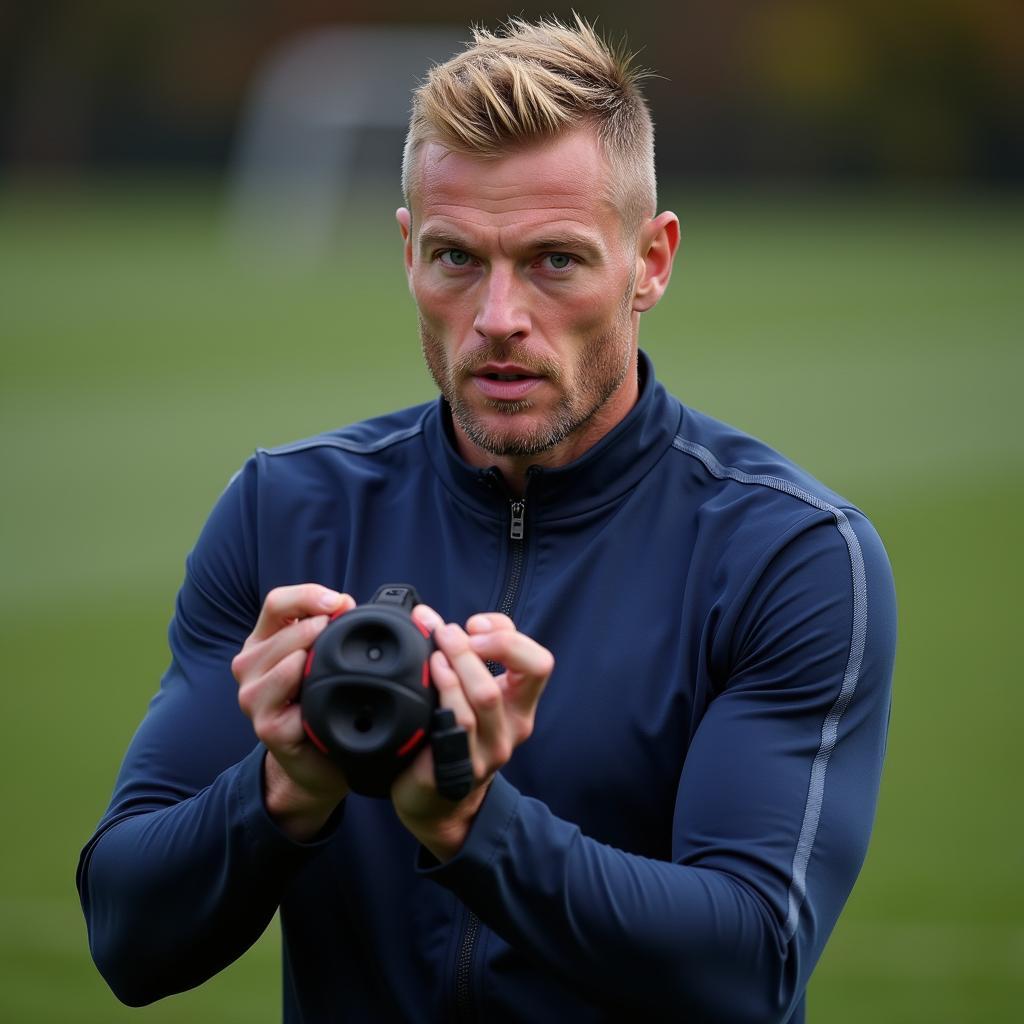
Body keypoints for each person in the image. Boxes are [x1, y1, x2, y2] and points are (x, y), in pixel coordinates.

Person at [77, 16, 896, 1024]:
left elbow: (748, 962)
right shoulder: (284, 514)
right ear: (406, 251)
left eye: (554, 261)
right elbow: (126, 937)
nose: (498, 314)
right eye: (456, 258)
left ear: (652, 261)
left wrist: (470, 824)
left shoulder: (787, 555)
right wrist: (280, 792)